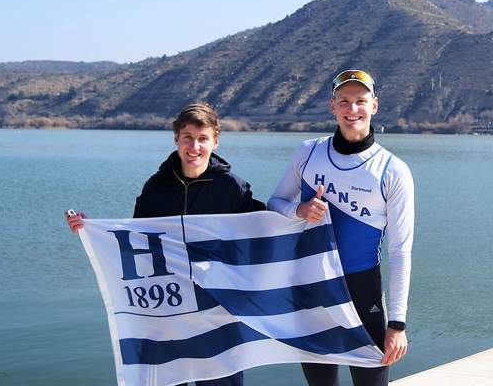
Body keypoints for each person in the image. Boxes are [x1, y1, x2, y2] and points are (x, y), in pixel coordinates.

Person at [66, 102, 265, 386]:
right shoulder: (157, 186)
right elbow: (135, 241)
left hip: (218, 310)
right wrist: (89, 228)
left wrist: (300, 214)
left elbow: (263, 231)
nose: (194, 147)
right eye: (188, 138)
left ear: (215, 141)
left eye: (203, 139)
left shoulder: (233, 187)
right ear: (176, 139)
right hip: (168, 309)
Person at [267, 69, 414, 386]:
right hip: (312, 285)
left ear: (374, 105)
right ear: (332, 106)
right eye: (344, 101)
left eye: (360, 101)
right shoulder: (308, 152)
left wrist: (397, 324)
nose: (353, 109)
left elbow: (401, 251)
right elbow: (275, 203)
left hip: (363, 290)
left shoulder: (393, 170)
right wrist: (299, 210)